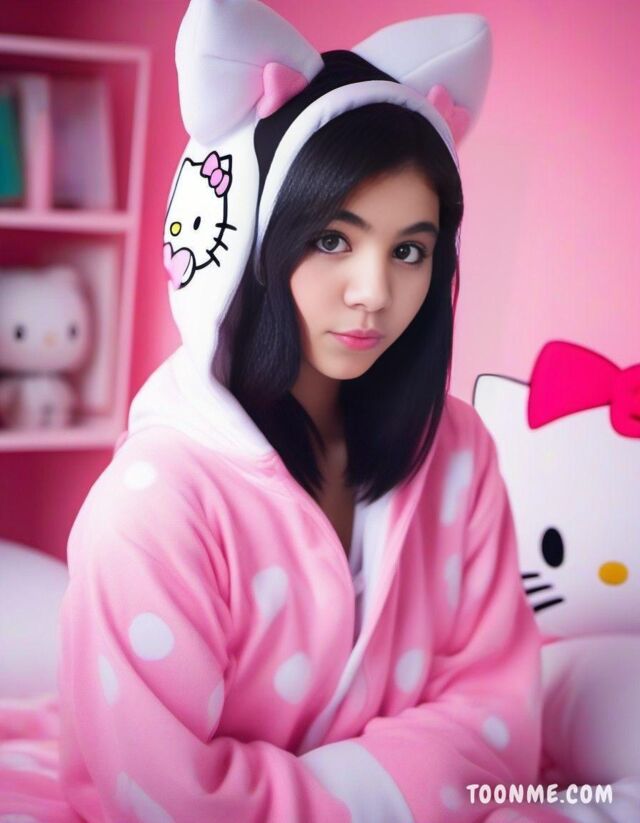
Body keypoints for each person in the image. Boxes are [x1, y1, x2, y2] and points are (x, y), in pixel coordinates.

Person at [50, 2, 568, 822]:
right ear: (255, 246)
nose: (374, 292)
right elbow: (163, 796)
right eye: (332, 239)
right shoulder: (155, 503)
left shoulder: (459, 454)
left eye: (409, 250)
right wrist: (394, 785)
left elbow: (500, 722)